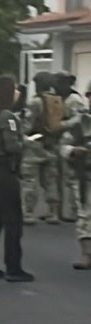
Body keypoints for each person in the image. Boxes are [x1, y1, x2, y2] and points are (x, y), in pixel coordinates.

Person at [0, 76, 34, 282]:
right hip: (2, 168)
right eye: (16, 89)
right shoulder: (8, 116)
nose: (18, 92)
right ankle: (13, 267)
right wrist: (24, 142)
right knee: (12, 220)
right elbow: (12, 146)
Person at [20, 71, 62, 225]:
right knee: (50, 181)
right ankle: (53, 212)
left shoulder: (35, 102)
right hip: (52, 144)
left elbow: (28, 124)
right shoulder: (57, 101)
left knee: (30, 180)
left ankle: (29, 213)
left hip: (35, 145)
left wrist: (22, 137)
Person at [59, 112, 91, 269]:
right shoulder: (79, 123)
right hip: (85, 177)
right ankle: (86, 254)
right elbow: (63, 145)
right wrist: (72, 150)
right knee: (85, 216)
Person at [55, 71, 88, 221]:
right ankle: (58, 211)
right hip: (61, 139)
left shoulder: (74, 99)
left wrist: (60, 124)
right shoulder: (58, 97)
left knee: (72, 178)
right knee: (58, 178)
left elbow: (79, 119)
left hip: (74, 137)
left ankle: (75, 210)